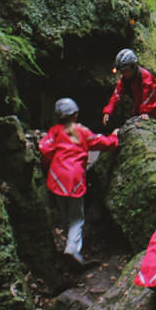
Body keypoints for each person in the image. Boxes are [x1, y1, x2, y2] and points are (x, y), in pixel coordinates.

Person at [38, 97, 119, 265]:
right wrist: (114, 137)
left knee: (65, 214)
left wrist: (46, 166)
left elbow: (44, 149)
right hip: (74, 178)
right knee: (77, 217)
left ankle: (69, 246)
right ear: (75, 114)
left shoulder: (54, 131)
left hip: (57, 177)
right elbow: (102, 142)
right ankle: (72, 249)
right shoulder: (82, 131)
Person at [103, 48, 156, 126]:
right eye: (121, 71)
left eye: (125, 70)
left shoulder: (146, 77)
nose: (123, 73)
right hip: (139, 107)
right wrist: (108, 112)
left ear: (133, 66)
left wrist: (144, 111)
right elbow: (116, 95)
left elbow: (149, 96)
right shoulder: (125, 79)